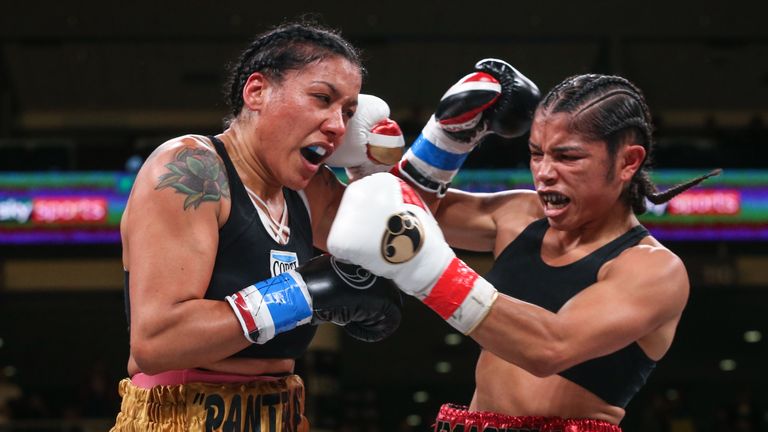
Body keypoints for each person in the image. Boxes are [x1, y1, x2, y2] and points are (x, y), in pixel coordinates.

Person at [327, 71, 719, 431]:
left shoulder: (652, 270)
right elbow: (407, 211)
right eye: (536, 153)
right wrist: (443, 141)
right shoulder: (519, 216)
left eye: (567, 156)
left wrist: (427, 273)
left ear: (628, 161)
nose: (545, 171)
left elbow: (550, 347)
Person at [112, 22, 407, 431]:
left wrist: (376, 167)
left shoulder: (308, 190)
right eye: (322, 98)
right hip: (183, 417)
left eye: (348, 112)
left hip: (282, 414)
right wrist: (301, 295)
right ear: (257, 92)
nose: (338, 125)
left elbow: (407, 237)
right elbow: (157, 342)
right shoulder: (191, 171)